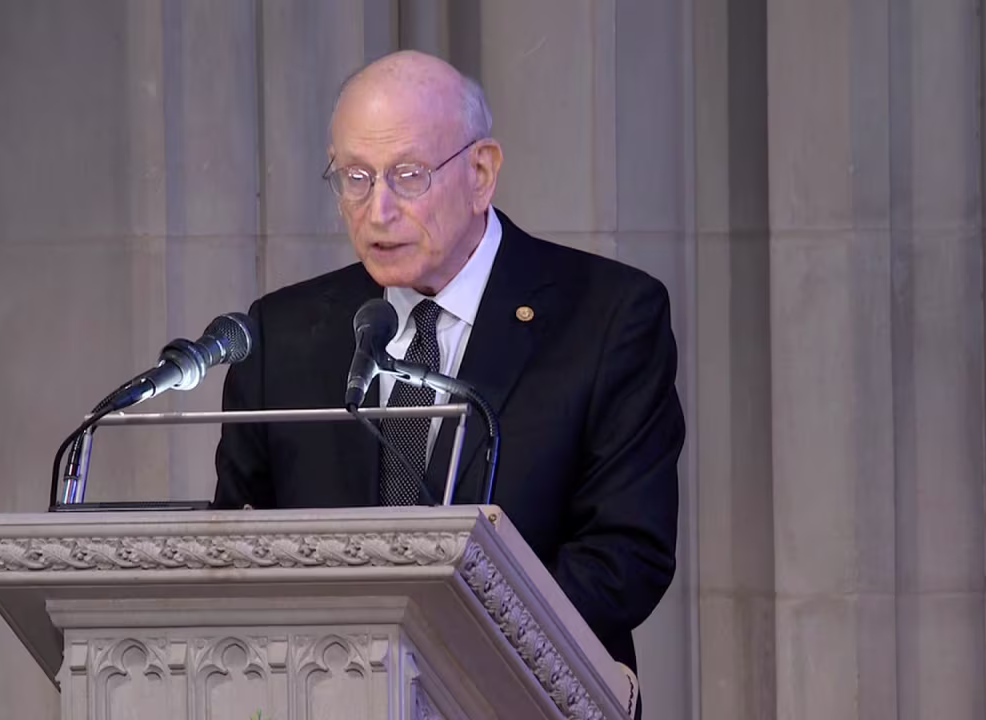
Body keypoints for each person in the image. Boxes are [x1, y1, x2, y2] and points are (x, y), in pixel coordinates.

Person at [212, 49, 683, 702]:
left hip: (516, 696)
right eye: (354, 177)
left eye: (407, 176)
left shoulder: (607, 316)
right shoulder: (284, 332)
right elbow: (239, 542)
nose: (377, 211)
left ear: (482, 172)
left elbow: (625, 556)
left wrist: (445, 654)